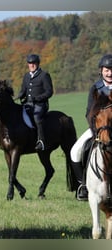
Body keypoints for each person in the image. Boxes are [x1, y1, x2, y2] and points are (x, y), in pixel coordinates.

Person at [70, 54, 112, 201]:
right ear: (101, 70)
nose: (110, 73)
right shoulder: (95, 88)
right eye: (107, 70)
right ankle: (82, 185)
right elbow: (89, 112)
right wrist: (95, 131)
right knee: (75, 151)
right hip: (98, 129)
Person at [17, 54, 54, 151]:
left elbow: (49, 92)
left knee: (36, 117)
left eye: (33, 63)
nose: (31, 65)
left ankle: (41, 141)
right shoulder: (26, 76)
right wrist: (20, 95)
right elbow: (23, 90)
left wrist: (37, 98)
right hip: (28, 104)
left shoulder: (44, 75)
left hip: (40, 104)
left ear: (37, 64)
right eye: (30, 63)